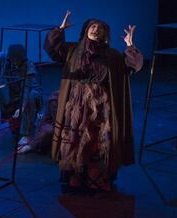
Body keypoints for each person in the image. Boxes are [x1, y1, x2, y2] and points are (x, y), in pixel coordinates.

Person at [45, 11, 143, 191]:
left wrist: (130, 46)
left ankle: (96, 176)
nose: (96, 30)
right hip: (76, 104)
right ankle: (75, 174)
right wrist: (60, 30)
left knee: (98, 141)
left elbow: (132, 66)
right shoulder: (73, 50)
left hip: (101, 106)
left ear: (106, 35)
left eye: (101, 28)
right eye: (93, 26)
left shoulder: (112, 55)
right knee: (75, 137)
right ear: (86, 30)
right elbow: (53, 50)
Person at [0, 44, 43, 146]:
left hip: (28, 93)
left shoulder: (28, 66)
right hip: (12, 93)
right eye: (14, 60)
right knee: (15, 130)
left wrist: (22, 107)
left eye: (18, 60)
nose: (16, 63)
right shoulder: (3, 59)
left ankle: (26, 134)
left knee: (31, 97)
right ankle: (19, 122)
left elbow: (26, 89)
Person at [18, 90, 59, 154]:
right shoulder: (54, 99)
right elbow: (57, 119)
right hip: (51, 124)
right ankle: (29, 141)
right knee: (48, 130)